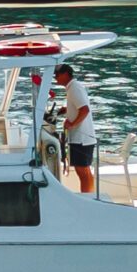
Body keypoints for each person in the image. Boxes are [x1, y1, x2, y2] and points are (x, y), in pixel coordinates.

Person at [55, 63, 98, 194]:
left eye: (57, 75)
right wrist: (67, 110)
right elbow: (80, 106)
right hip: (82, 138)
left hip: (81, 139)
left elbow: (85, 110)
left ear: (66, 74)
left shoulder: (74, 88)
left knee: (82, 171)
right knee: (84, 171)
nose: (56, 78)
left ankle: (87, 199)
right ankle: (90, 195)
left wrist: (72, 124)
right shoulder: (74, 87)